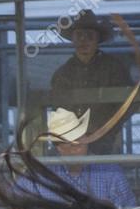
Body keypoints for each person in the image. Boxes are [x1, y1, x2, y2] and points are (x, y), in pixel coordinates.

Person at [51, 9, 131, 154]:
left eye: (89, 36)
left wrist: (109, 128)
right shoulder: (62, 73)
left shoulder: (114, 69)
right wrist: (72, 136)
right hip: (71, 143)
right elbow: (58, 109)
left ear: (97, 40)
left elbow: (129, 103)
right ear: (73, 39)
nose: (83, 40)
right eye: (79, 35)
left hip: (105, 140)